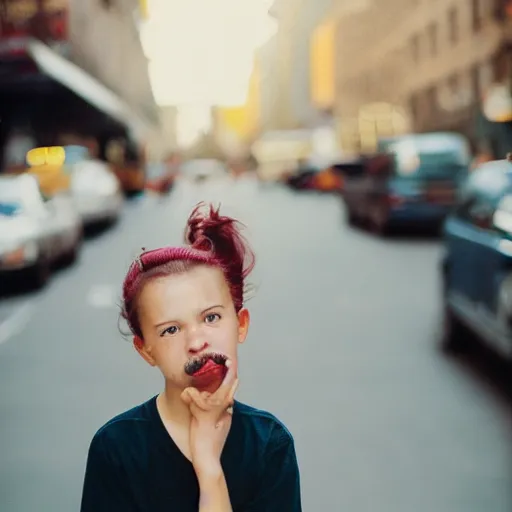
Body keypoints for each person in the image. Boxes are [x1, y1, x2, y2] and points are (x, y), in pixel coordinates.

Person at [80, 203, 302, 511]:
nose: (197, 341)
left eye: (211, 318)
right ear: (145, 350)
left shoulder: (269, 444)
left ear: (240, 324)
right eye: (171, 329)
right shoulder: (117, 448)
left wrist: (209, 467)